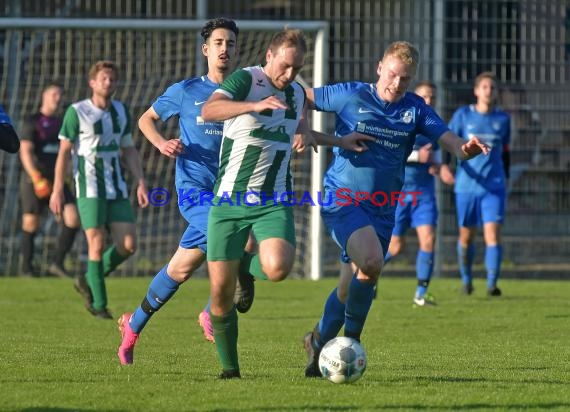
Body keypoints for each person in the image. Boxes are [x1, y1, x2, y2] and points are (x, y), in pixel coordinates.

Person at [302, 41, 490, 378]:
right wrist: (305, 130)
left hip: (382, 210)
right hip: (342, 198)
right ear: (379, 67)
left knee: (351, 286)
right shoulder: (350, 95)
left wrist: (464, 149)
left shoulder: (415, 109)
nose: (396, 84)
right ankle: (350, 345)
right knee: (372, 261)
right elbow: (302, 96)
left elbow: (448, 139)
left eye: (404, 79)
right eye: (392, 75)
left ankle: (317, 342)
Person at [200, 28, 372, 379]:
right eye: (285, 66)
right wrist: (252, 105)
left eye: (297, 68)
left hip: (273, 199)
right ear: (269, 57)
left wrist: (338, 139)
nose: (290, 75)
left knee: (278, 268)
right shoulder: (245, 81)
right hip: (229, 201)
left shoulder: (295, 94)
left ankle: (247, 270)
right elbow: (210, 109)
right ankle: (230, 371)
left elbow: (301, 133)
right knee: (219, 297)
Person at [116, 17, 258, 365]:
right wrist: (162, 142)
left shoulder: (249, 92)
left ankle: (132, 325)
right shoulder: (186, 90)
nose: (226, 49)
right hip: (194, 189)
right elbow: (145, 120)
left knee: (179, 270)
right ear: (206, 49)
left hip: (232, 190)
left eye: (231, 43)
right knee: (241, 239)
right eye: (219, 43)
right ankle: (213, 311)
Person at [50, 60, 149, 319]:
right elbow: (63, 154)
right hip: (89, 188)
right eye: (104, 78)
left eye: (113, 79)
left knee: (128, 245)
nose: (109, 83)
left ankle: (87, 279)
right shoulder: (77, 111)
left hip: (116, 187)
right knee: (95, 243)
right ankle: (99, 304)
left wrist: (140, 180)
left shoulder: (121, 111)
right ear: (92, 82)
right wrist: (57, 189)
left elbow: (128, 148)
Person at [383, 81, 454, 307]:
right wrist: (416, 157)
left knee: (428, 240)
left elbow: (438, 154)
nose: (429, 101)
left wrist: (440, 168)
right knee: (395, 246)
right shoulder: (402, 121)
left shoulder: (435, 125)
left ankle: (421, 294)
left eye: (432, 97)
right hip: (400, 193)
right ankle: (367, 273)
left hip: (424, 193)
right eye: (424, 96)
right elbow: (389, 152)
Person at [447, 71, 510, 296]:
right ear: (476, 91)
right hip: (466, 186)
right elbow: (449, 143)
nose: (488, 91)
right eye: (484, 87)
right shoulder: (463, 115)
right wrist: (445, 168)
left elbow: (506, 152)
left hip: (494, 186)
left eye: (492, 87)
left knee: (492, 234)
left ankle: (492, 283)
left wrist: (506, 178)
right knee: (466, 236)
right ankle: (467, 280)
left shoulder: (503, 119)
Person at [19, 82, 80, 278]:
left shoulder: (63, 122)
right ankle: (27, 269)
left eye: (60, 94)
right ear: (44, 96)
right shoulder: (33, 120)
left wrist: (67, 175)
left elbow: (68, 152)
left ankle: (57, 263)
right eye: (54, 93)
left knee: (72, 218)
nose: (58, 97)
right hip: (35, 180)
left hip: (58, 181)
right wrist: (36, 178)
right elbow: (25, 151)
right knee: (31, 223)